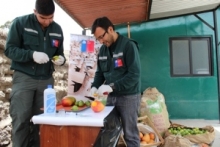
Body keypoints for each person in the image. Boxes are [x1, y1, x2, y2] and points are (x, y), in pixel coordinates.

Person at [4, 0, 66, 146]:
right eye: (43, 18)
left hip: (46, 82)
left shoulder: (57, 29)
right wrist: (31, 55)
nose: (47, 21)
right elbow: (9, 50)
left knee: (44, 121)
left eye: (51, 17)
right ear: (35, 12)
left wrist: (61, 59)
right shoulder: (20, 23)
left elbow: (60, 53)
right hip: (25, 78)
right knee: (21, 120)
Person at [90, 16, 141, 147]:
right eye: (98, 39)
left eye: (102, 37)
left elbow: (134, 75)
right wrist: (94, 86)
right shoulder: (102, 50)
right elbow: (100, 73)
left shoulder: (128, 46)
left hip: (128, 97)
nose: (101, 41)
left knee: (130, 134)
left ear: (111, 29)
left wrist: (112, 86)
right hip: (110, 98)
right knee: (110, 133)